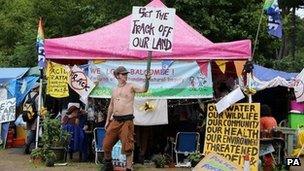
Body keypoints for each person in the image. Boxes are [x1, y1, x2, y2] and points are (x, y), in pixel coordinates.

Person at [102, 66, 151, 171]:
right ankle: (108, 164)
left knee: (128, 147)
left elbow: (144, 89)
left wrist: (147, 80)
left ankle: (129, 168)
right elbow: (111, 105)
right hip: (115, 120)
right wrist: (107, 120)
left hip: (127, 121)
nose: (126, 75)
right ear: (117, 75)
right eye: (123, 74)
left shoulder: (131, 86)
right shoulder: (114, 90)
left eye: (126, 74)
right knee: (106, 144)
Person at [24, 83, 39, 154]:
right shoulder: (38, 96)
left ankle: (28, 144)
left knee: (29, 130)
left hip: (28, 116)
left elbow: (24, 105)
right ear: (37, 88)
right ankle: (28, 145)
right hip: (35, 116)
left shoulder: (28, 95)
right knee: (33, 131)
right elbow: (39, 108)